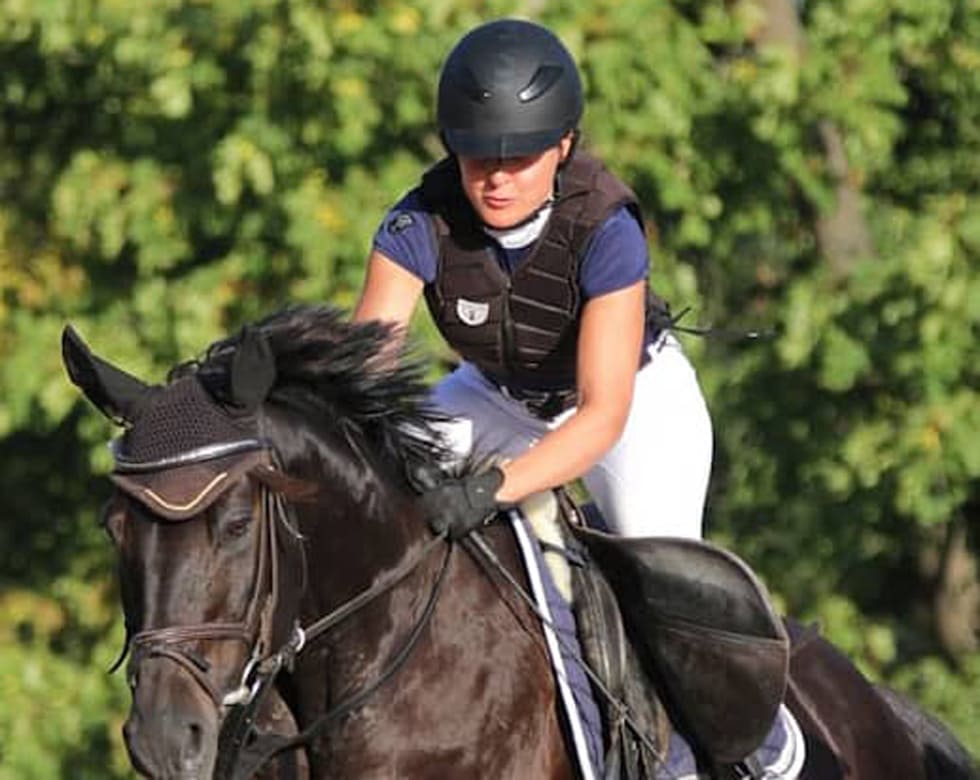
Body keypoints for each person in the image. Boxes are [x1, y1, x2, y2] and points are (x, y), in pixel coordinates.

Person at [353, 18, 713, 541]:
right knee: (365, 487)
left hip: (633, 407)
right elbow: (364, 378)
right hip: (493, 396)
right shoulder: (417, 224)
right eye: (479, 157)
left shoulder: (605, 227)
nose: (497, 179)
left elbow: (602, 414)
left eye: (519, 158)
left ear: (563, 145)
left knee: (669, 576)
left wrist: (487, 490)